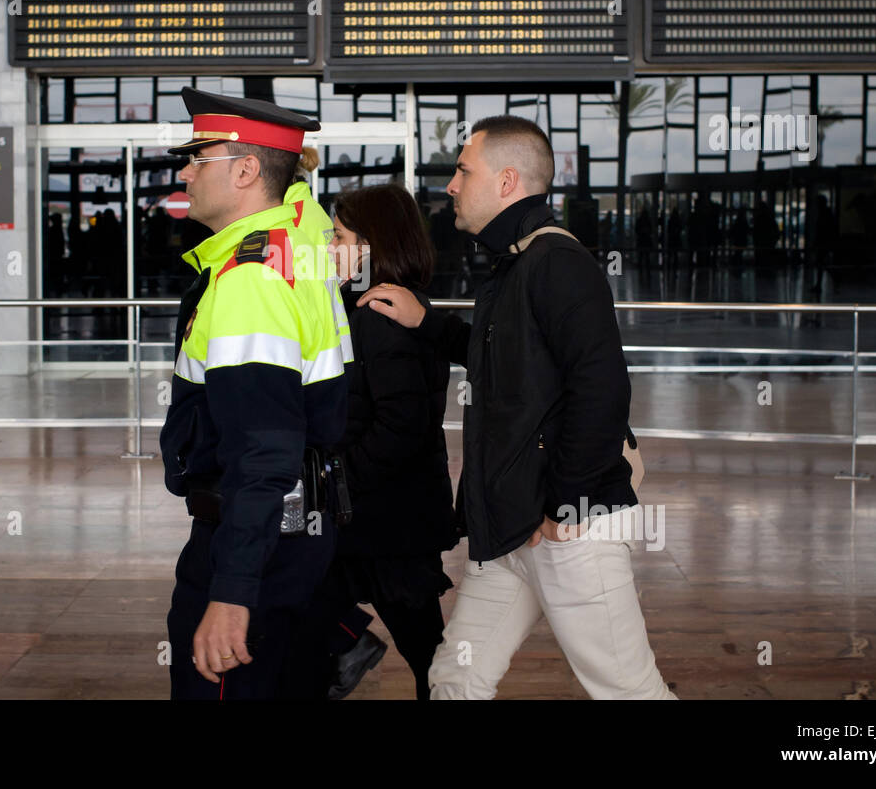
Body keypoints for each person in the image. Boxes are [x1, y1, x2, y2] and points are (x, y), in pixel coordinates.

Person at [357, 115, 675, 700]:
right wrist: (427, 322)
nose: (451, 185)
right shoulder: (515, 265)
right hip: (511, 528)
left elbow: (601, 389)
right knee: (456, 676)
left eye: (463, 170)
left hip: (567, 531)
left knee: (629, 691)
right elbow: (501, 369)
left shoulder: (557, 263)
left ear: (507, 182)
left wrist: (562, 506)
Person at [159, 87, 352, 700]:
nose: (184, 172)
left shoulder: (250, 282)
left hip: (254, 539)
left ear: (245, 170)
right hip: (302, 535)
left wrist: (232, 592)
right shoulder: (299, 240)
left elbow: (262, 452)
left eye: (198, 158)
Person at [288, 183, 456, 700]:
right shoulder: (368, 305)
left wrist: (336, 481)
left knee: (428, 653)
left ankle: (351, 647)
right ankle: (347, 645)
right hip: (374, 519)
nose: (328, 247)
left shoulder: (381, 315)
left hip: (389, 524)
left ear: (371, 244)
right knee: (306, 609)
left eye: (338, 236)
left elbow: (401, 426)